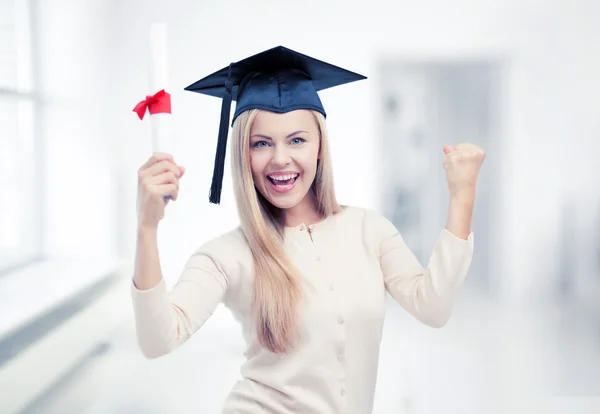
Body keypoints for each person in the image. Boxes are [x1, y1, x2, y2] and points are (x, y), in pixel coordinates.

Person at [131, 46, 485, 414]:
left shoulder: (369, 230)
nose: (280, 158)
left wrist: (462, 196)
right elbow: (158, 339)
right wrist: (146, 225)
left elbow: (433, 306)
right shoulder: (227, 255)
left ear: (319, 147)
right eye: (261, 143)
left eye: (297, 140)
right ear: (242, 155)